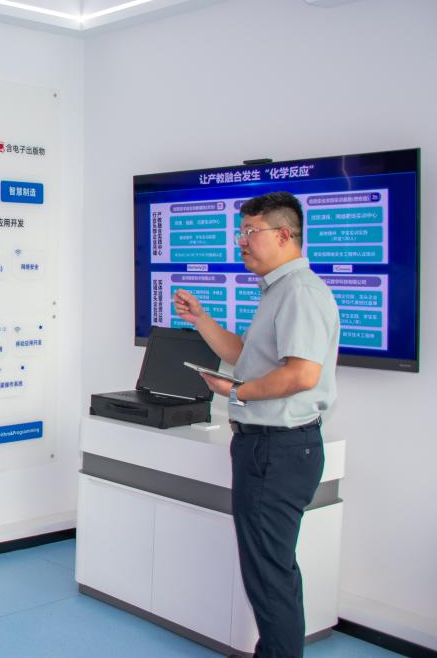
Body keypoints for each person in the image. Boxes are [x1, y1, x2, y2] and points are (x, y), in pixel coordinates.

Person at [173, 191, 339, 658]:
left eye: (250, 232)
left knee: (269, 576)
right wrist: (201, 319)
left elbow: (301, 375)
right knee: (271, 570)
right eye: (240, 232)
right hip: (269, 447)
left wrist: (237, 392)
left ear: (284, 235)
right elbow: (243, 354)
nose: (241, 242)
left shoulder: (300, 292)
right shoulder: (278, 291)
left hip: (278, 450)